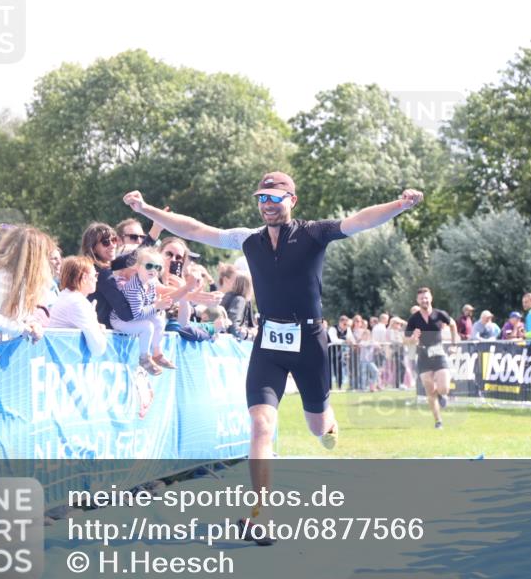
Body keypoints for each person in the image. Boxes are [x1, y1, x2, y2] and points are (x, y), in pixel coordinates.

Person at [123, 171, 424, 543]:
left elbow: (360, 220)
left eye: (274, 198)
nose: (266, 204)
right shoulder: (248, 240)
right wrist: (146, 208)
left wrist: (401, 204)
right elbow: (197, 230)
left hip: (310, 341)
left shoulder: (315, 232)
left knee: (318, 428)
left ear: (291, 200)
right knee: (262, 425)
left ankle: (328, 424)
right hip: (269, 342)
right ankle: (259, 515)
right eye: (261, 198)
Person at [0, 226, 53, 343]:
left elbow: (16, 314)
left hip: (1, 347)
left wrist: (32, 324)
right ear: (33, 255)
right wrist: (20, 328)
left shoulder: (18, 277)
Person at [111, 247, 176, 375]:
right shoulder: (134, 288)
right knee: (148, 326)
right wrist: (157, 306)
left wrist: (158, 307)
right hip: (119, 320)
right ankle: (144, 358)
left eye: (157, 267)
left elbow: (149, 307)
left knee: (158, 320)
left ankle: (157, 353)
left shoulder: (150, 284)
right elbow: (137, 314)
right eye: (149, 266)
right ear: (137, 267)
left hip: (133, 317)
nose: (153, 270)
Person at [404, 287, 458, 429]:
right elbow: (405, 339)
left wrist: (454, 344)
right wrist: (413, 338)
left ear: (431, 298)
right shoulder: (414, 319)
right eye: (422, 298)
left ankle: (443, 395)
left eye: (426, 297)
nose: (424, 300)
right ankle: (438, 421)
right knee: (429, 391)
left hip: (439, 353)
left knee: (444, 387)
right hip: (423, 356)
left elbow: (453, 325)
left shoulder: (439, 314)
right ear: (418, 301)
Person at [48, 256, 108, 356]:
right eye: (95, 275)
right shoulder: (78, 302)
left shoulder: (65, 296)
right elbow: (98, 348)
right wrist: (100, 331)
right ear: (84, 277)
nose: (96, 280)